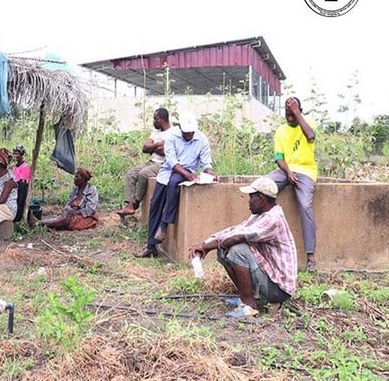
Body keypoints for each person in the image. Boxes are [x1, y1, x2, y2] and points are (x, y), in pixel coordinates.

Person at [187, 177, 297, 318]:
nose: (248, 201)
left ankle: (250, 305)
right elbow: (235, 230)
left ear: (261, 198)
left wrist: (206, 247)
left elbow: (238, 237)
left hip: (278, 288)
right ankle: (245, 298)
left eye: (251, 197)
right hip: (269, 278)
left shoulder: (273, 218)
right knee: (224, 248)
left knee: (237, 249)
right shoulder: (260, 215)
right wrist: (205, 244)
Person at [136, 113, 216, 258]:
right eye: (186, 133)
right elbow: (171, 161)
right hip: (168, 171)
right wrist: (186, 174)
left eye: (191, 133)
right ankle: (151, 246)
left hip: (185, 173)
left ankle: (165, 224)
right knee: (155, 206)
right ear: (180, 129)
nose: (189, 136)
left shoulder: (201, 139)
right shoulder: (172, 136)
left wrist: (210, 173)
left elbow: (206, 162)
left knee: (174, 182)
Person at [268, 96, 319, 271]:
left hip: (305, 172)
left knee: (305, 205)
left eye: (293, 114)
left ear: (299, 112)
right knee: (263, 187)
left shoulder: (307, 125)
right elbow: (278, 158)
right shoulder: (280, 131)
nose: (290, 118)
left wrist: (298, 114)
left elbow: (311, 137)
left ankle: (311, 257)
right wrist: (288, 172)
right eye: (288, 114)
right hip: (286, 171)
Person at [118, 108, 173, 218]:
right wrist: (159, 144)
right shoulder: (156, 132)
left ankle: (135, 203)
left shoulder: (173, 133)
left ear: (162, 119)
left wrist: (153, 146)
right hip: (151, 161)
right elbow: (145, 148)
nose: (153, 121)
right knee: (131, 173)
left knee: (143, 174)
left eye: (155, 119)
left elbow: (164, 152)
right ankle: (129, 204)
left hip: (163, 164)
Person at [11, 144, 30, 222]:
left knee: (19, 204)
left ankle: (17, 218)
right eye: (14, 153)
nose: (15, 155)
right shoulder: (15, 167)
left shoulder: (25, 167)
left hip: (21, 189)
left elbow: (23, 182)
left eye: (17, 153)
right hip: (15, 189)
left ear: (21, 154)